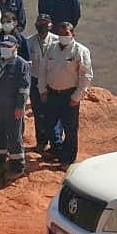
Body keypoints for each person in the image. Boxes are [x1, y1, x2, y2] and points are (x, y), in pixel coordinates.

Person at [38, 21, 93, 167]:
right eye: (60, 34)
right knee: (49, 125)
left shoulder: (80, 51)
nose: (63, 37)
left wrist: (77, 96)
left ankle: (68, 159)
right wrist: (42, 90)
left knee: (70, 128)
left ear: (72, 34)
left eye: (66, 34)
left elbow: (86, 75)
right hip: (52, 93)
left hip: (69, 95)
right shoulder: (51, 48)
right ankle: (57, 150)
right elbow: (43, 70)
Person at [0, 34, 30, 178]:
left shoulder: (21, 64)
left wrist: (20, 107)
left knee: (14, 135)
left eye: (7, 46)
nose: (4, 49)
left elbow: (24, 88)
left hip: (13, 106)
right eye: (2, 46)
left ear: (15, 47)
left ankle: (17, 167)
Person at [28, 14, 62, 154]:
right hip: (35, 79)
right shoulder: (29, 41)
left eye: (45, 23)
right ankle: (41, 141)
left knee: (53, 112)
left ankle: (56, 142)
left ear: (50, 25)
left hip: (51, 81)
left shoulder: (57, 41)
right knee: (38, 111)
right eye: (39, 23)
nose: (42, 26)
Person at [0, 12, 27, 108]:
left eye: (8, 21)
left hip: (15, 72)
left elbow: (26, 60)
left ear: (15, 22)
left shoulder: (21, 39)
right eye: (3, 22)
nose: (6, 24)